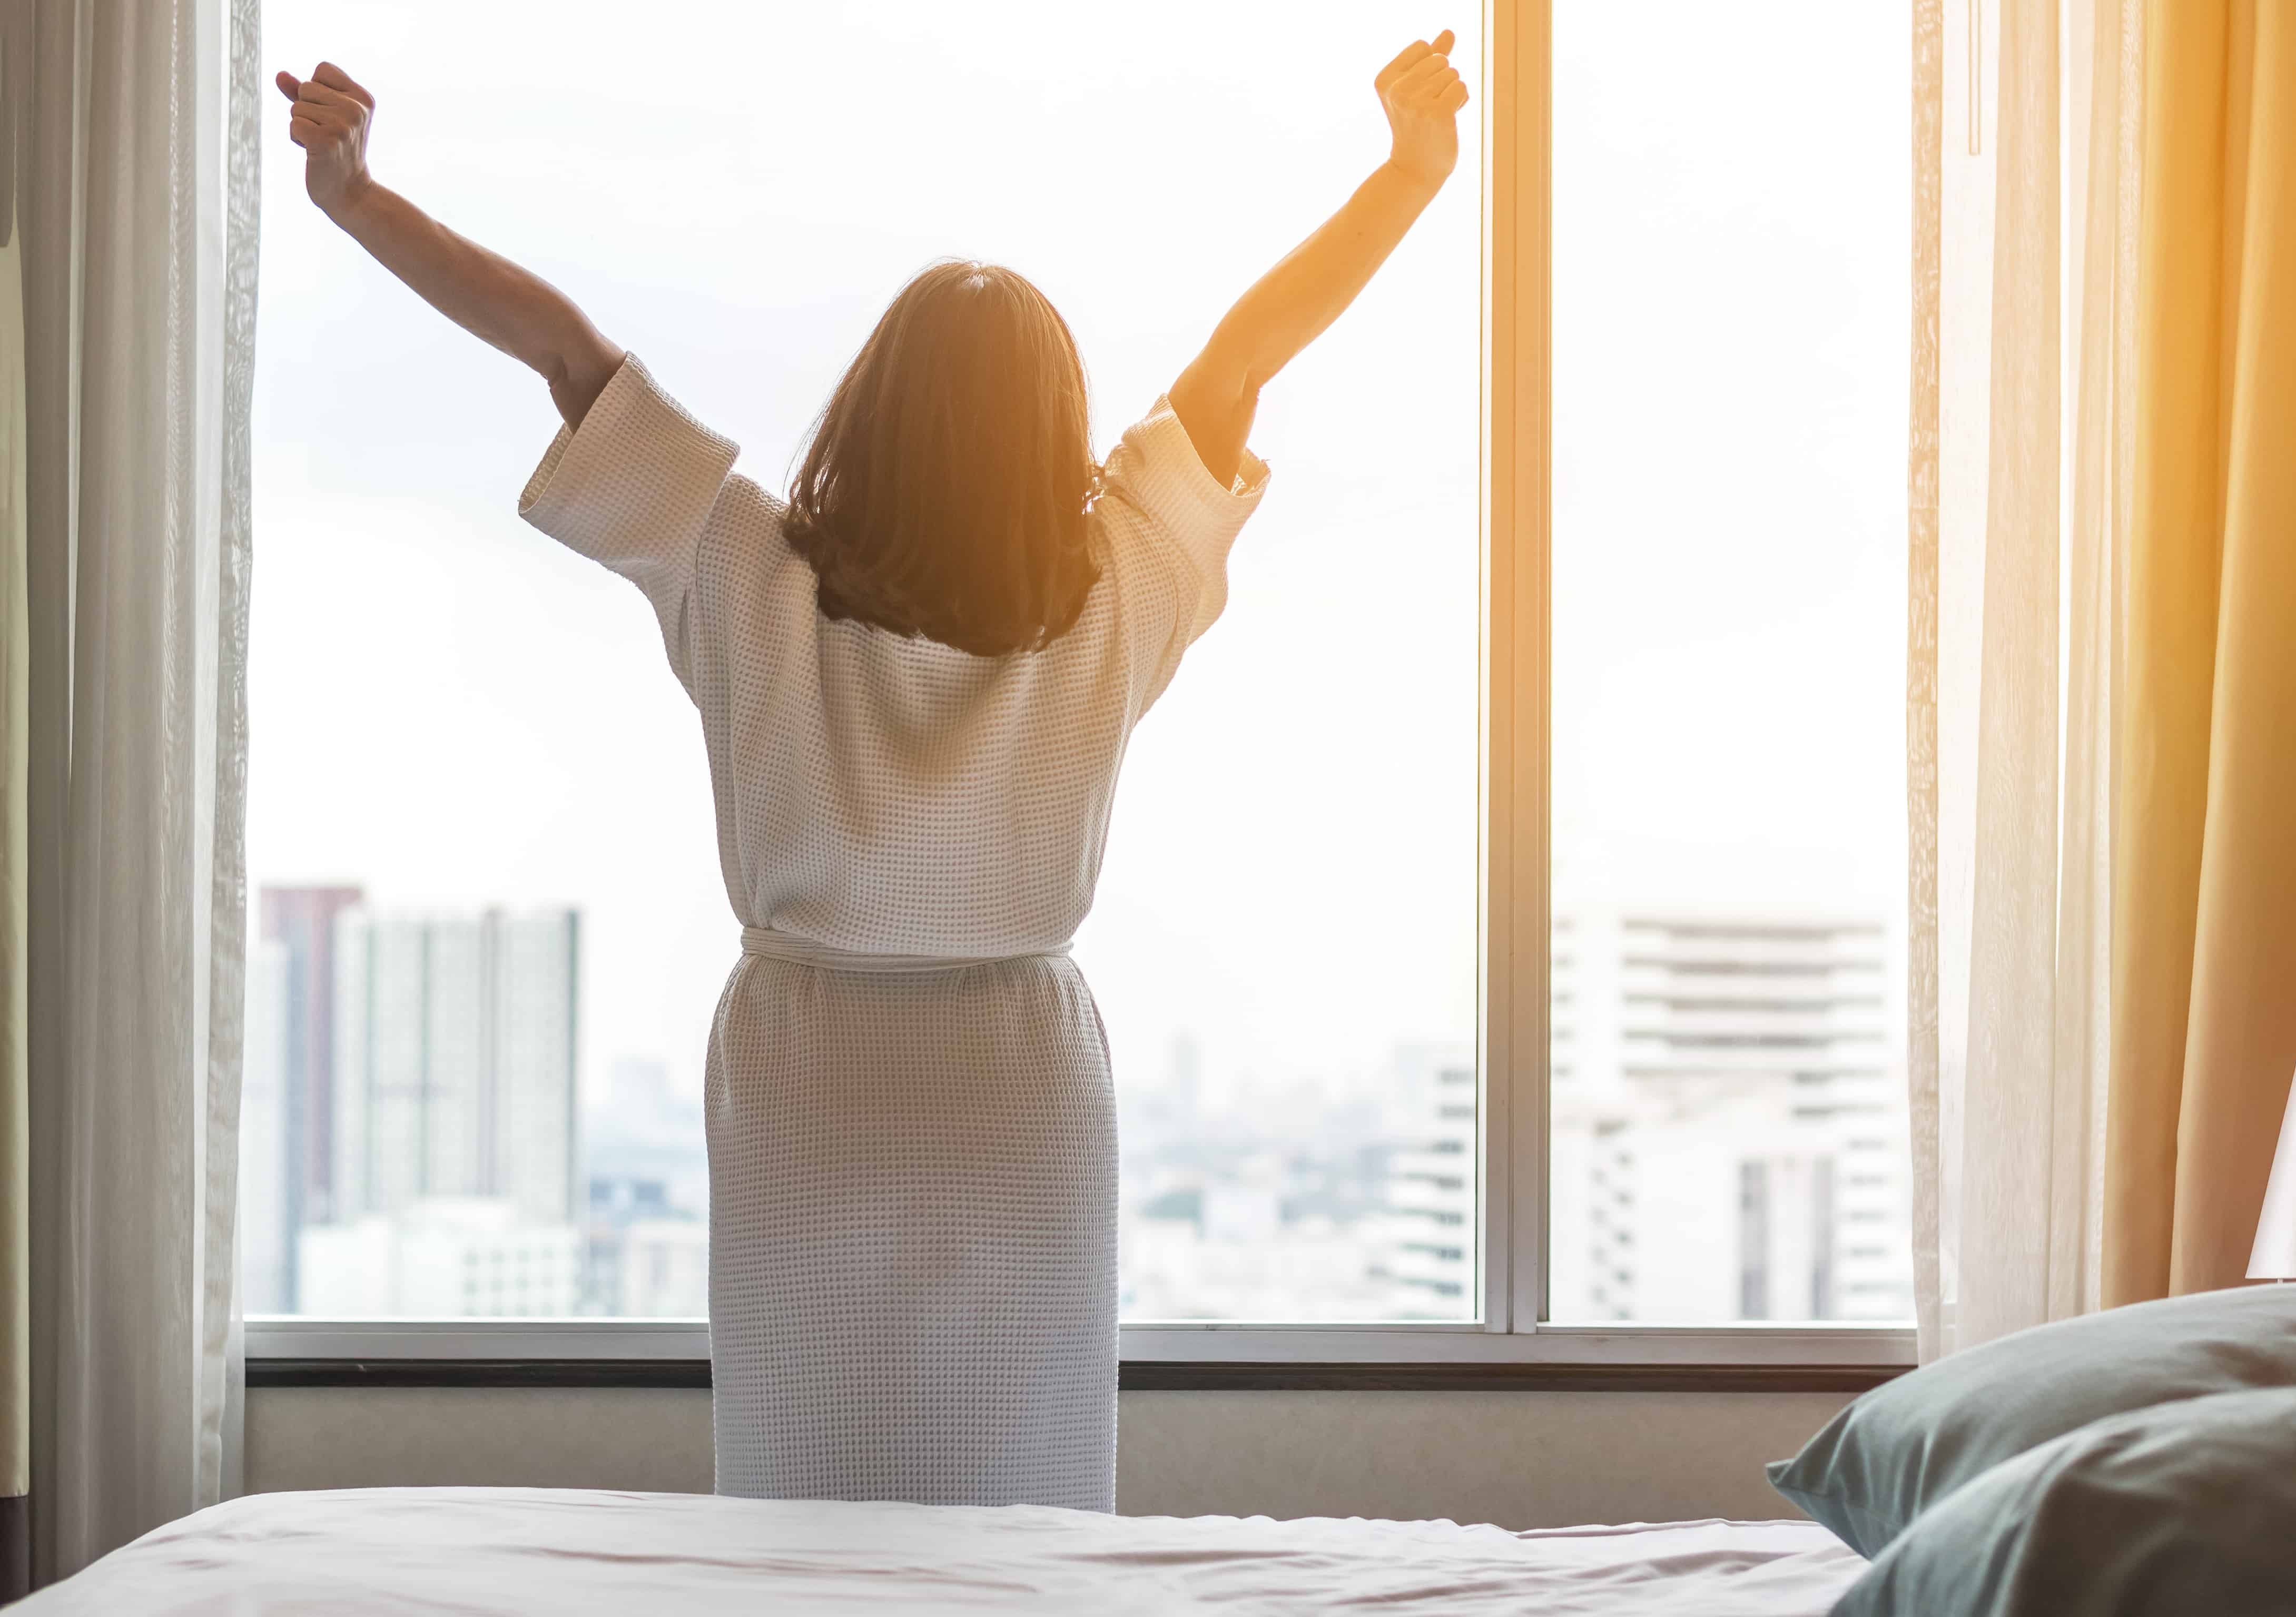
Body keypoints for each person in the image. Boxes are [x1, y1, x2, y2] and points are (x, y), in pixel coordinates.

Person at [274, 32, 1469, 1510]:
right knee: (1024, 1493)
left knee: (807, 1490)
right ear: (1053, 431)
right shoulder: (1119, 583)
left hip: (807, 1075)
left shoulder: (744, 564)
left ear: (872, 406)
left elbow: (569, 352)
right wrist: (1408, 176)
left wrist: (357, 198)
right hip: (1024, 1081)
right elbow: (1245, 356)